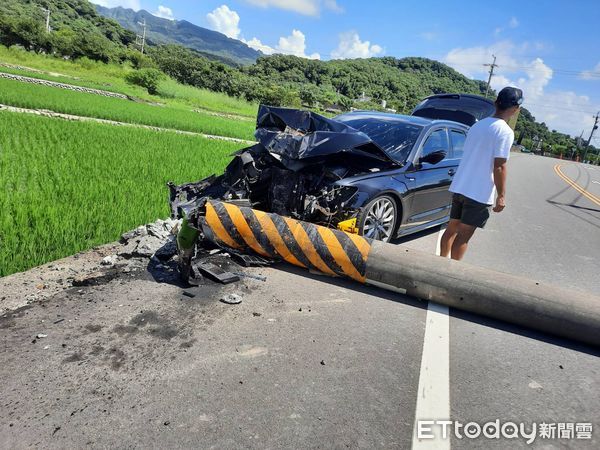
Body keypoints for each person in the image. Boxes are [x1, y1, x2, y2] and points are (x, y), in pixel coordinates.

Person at [440, 86, 523, 260]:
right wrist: (501, 195)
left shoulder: (477, 125)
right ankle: (451, 274)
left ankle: (439, 264)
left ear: (495, 102)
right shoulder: (505, 132)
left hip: (461, 185)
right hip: (479, 191)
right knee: (463, 236)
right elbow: (499, 166)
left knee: (451, 229)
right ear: (515, 109)